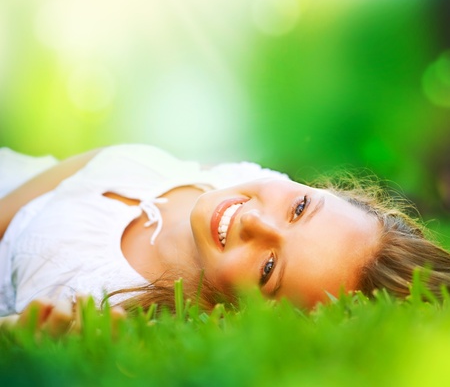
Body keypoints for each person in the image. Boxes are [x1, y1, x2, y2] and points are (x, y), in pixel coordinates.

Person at [0, 144, 449, 324]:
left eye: (269, 267)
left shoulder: (107, 303)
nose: (255, 222)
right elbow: (92, 162)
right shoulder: (244, 177)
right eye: (300, 207)